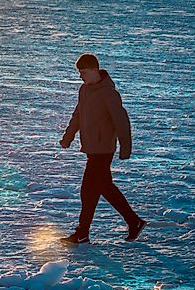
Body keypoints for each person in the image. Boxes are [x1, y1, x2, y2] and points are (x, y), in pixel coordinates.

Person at [59, 53, 145, 244]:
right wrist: (68, 136)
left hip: (104, 149)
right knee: (105, 187)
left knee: (88, 189)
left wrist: (125, 147)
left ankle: (82, 232)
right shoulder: (84, 90)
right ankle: (134, 221)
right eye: (79, 72)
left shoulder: (108, 93)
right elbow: (78, 115)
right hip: (91, 147)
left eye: (83, 72)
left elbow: (121, 120)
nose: (81, 76)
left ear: (94, 70)